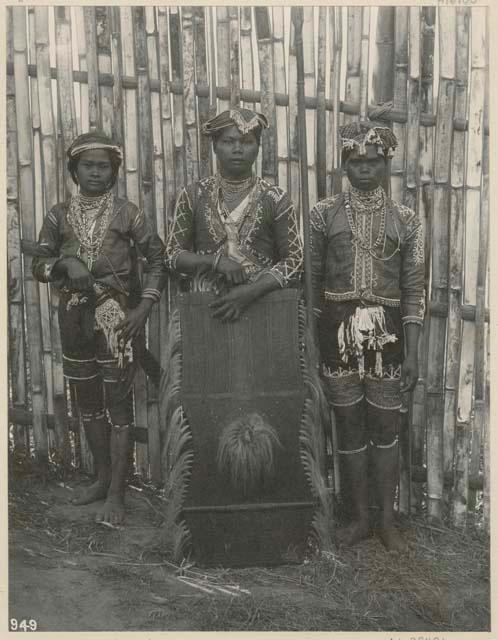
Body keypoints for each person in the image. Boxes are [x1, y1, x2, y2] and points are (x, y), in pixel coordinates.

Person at [32, 131, 166, 525]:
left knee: (119, 407)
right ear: (74, 170)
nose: (95, 172)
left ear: (114, 171)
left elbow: (157, 260)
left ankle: (117, 495)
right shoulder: (58, 215)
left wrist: (143, 308)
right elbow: (37, 264)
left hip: (117, 323)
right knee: (88, 403)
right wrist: (62, 265)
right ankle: (101, 478)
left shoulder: (128, 213)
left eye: (103, 166)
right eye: (87, 165)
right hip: (74, 320)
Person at [310, 117, 425, 551]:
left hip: (389, 337)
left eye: (373, 162)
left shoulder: (406, 222)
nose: (364, 170)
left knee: (386, 424)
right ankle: (359, 519)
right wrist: (310, 338)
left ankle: (387, 521)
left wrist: (411, 353)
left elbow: (414, 288)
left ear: (387, 165)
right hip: (335, 333)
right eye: (356, 162)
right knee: (348, 425)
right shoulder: (324, 215)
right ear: (344, 165)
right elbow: (313, 281)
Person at [164, 108, 303, 317]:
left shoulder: (275, 198)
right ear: (214, 146)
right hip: (206, 308)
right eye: (228, 142)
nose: (238, 149)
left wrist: (250, 292)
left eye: (247, 142)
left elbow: (295, 261)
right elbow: (171, 255)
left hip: (264, 307)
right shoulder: (193, 195)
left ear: (258, 147)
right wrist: (215, 262)